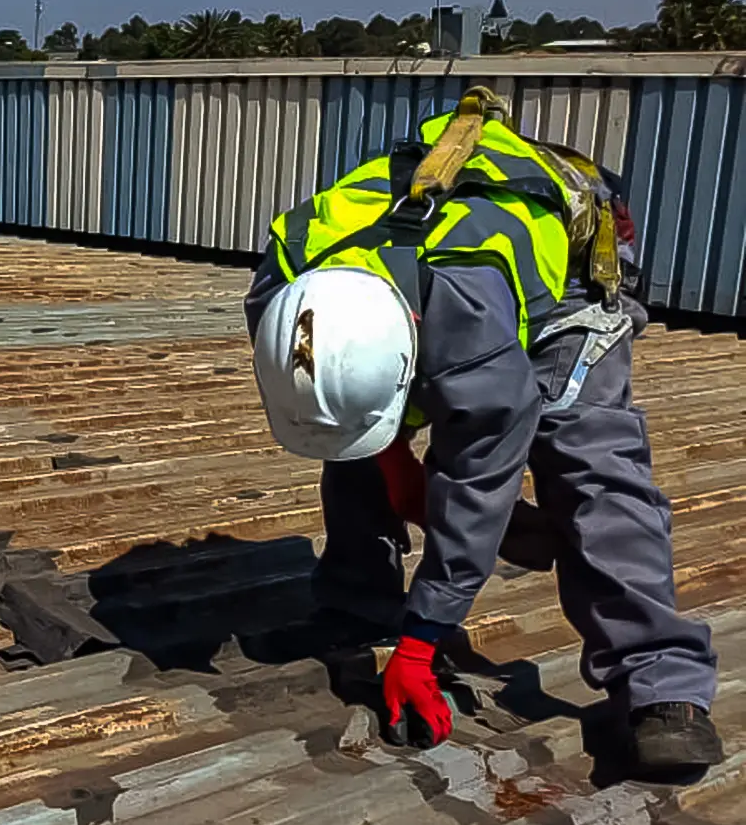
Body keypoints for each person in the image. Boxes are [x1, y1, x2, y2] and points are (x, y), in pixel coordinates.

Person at [247, 86, 721, 774]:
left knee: (588, 459)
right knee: (338, 422)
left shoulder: (469, 336)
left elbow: (478, 477)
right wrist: (396, 468)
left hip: (563, 282)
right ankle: (358, 599)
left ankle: (661, 688)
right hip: (432, 264)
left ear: (414, 346)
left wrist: (423, 640)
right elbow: (330, 405)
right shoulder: (283, 285)